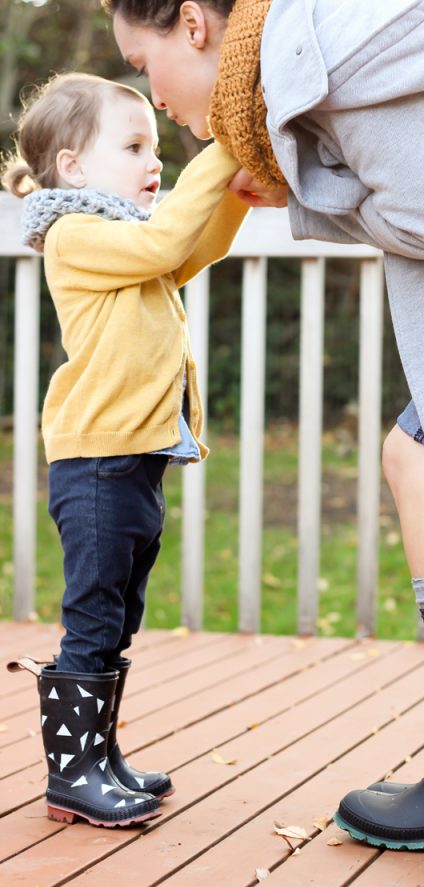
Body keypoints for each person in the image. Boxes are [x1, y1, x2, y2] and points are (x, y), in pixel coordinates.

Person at [103, 0, 424, 859]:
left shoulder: (339, 55)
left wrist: (307, 197)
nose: (151, 94)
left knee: (423, 460)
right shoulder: (336, 36)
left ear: (192, 25)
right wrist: (305, 195)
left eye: (141, 64)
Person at [2, 70, 252, 827]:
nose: (156, 162)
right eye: (136, 146)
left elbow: (191, 247)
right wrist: (222, 141)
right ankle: (72, 776)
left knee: (118, 614)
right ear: (72, 166)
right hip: (98, 460)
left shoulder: (122, 237)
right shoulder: (77, 236)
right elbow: (169, 237)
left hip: (132, 459)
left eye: (157, 147)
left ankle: (99, 756)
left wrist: (236, 195)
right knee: (93, 614)